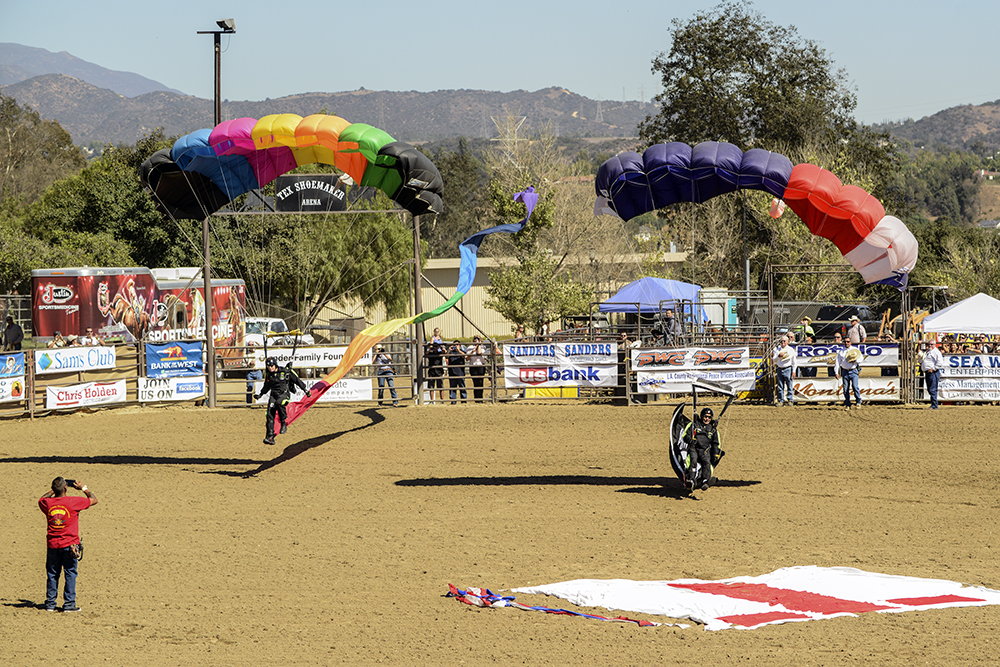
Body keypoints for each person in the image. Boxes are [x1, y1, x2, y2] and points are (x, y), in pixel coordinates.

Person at [39, 476, 97, 612]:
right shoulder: (73, 502)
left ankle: (50, 604)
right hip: (70, 544)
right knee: (70, 573)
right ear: (66, 488)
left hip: (53, 544)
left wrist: (53, 490)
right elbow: (94, 500)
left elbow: (41, 499)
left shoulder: (47, 503)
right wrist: (84, 488)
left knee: (52, 574)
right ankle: (69, 604)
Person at [254, 356, 310, 445]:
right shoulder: (268, 374)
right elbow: (266, 386)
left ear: (275, 365)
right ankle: (270, 437)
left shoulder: (285, 372)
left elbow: (297, 380)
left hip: (284, 394)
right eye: (268, 366)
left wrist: (306, 390)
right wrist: (260, 395)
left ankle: (283, 423)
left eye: (271, 366)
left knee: (279, 403)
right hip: (273, 395)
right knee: (269, 414)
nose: (270, 368)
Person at [683, 407, 722, 491]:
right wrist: (690, 440)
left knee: (706, 462)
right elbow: (685, 436)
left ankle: (705, 481)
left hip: (704, 451)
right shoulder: (694, 425)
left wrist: (716, 453)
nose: (706, 419)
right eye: (705, 416)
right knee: (693, 461)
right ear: (701, 416)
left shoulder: (713, 430)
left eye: (709, 417)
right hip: (694, 448)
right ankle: (691, 479)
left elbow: (716, 444)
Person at [835, 337, 863, 409]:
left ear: (850, 342)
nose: (846, 343)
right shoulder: (841, 352)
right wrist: (836, 372)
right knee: (845, 389)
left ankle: (858, 401)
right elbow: (837, 362)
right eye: (845, 342)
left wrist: (855, 361)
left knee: (855, 387)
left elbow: (861, 358)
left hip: (853, 370)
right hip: (845, 371)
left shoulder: (855, 350)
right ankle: (847, 403)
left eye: (848, 341)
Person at [920, 340, 945, 409]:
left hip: (933, 372)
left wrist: (933, 368)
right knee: (930, 388)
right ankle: (934, 404)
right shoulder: (928, 352)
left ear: (935, 345)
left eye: (931, 344)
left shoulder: (936, 352)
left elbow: (940, 362)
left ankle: (934, 405)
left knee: (932, 389)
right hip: (928, 372)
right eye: (929, 344)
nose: (930, 345)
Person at [771, 336, 796, 405]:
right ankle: (780, 400)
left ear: (787, 342)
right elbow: (774, 359)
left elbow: (794, 361)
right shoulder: (777, 350)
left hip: (788, 368)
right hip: (779, 368)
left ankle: (790, 400)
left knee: (789, 385)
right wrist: (778, 356)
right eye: (781, 341)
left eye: (784, 341)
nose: (782, 342)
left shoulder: (790, 350)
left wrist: (794, 371)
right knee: (780, 386)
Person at [467, 336, 487, 402]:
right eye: (475, 339)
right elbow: (467, 358)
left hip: (480, 365)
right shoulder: (470, 348)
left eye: (478, 339)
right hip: (473, 366)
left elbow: (479, 353)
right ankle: (476, 398)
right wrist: (472, 351)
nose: (476, 340)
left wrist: (478, 346)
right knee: (475, 382)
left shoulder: (483, 347)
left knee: (481, 382)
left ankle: (480, 398)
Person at [447, 340, 467, 404]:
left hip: (460, 372)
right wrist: (449, 350)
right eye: (454, 345)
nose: (455, 346)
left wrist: (459, 350)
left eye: (457, 345)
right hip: (452, 372)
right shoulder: (450, 352)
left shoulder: (461, 351)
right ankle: (453, 401)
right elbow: (446, 357)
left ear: (459, 346)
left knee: (462, 387)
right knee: (452, 387)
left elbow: (464, 356)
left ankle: (463, 401)